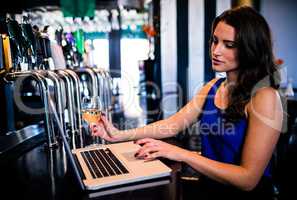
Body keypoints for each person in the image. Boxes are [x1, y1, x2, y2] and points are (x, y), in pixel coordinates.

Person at [91, 6, 283, 199]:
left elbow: (247, 180)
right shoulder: (214, 86)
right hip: (208, 190)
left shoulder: (265, 96)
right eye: (215, 41)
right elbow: (172, 125)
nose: (216, 51)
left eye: (229, 45)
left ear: (251, 48)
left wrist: (181, 153)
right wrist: (119, 134)